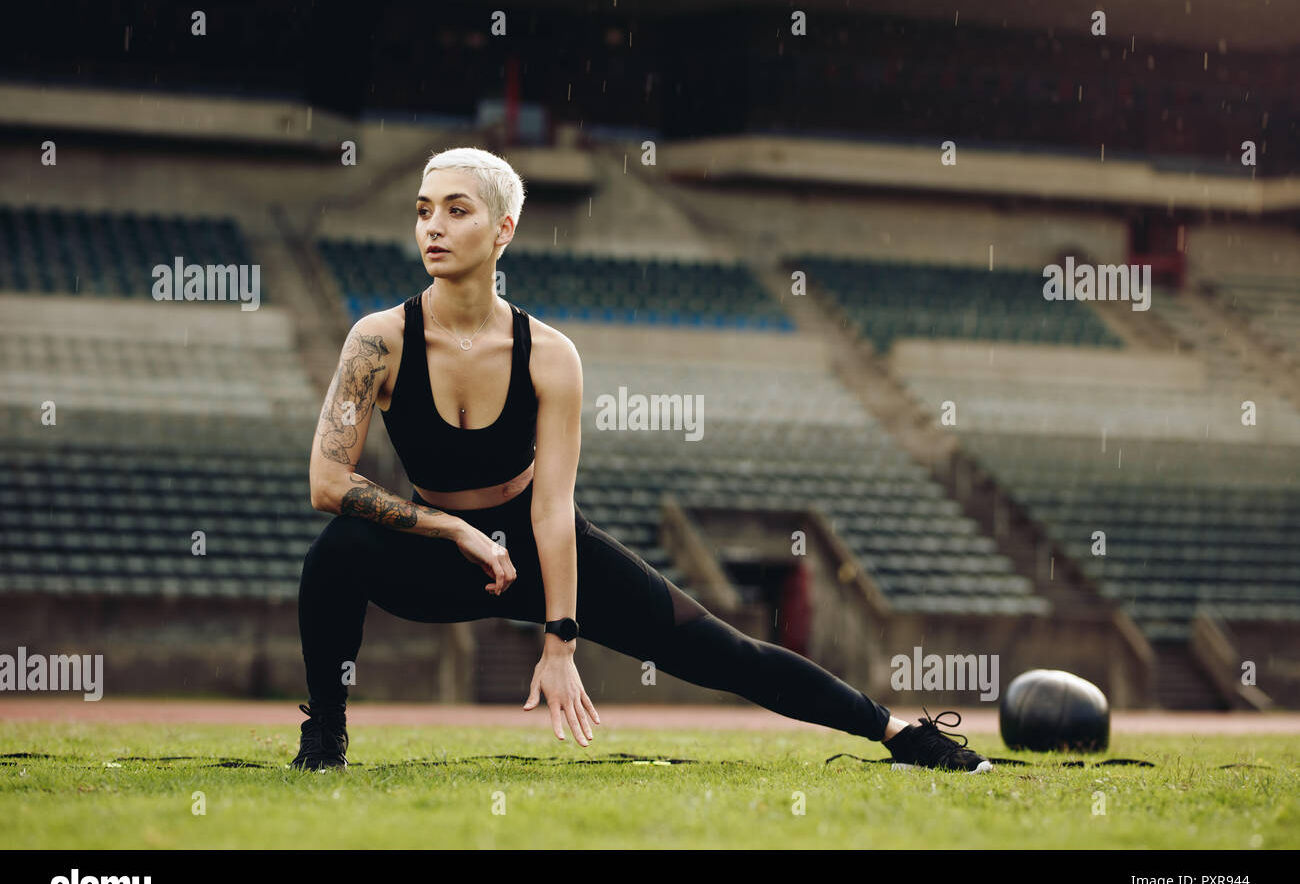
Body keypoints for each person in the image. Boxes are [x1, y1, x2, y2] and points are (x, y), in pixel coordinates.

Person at [292, 146, 993, 774]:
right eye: (422, 212)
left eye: (456, 209)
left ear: (503, 228)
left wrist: (560, 638)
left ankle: (902, 735)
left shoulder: (550, 355)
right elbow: (328, 482)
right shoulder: (377, 341)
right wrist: (449, 528)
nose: (433, 228)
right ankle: (325, 734)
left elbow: (552, 508)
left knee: (722, 652)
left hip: (536, 546)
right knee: (338, 549)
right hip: (429, 556)